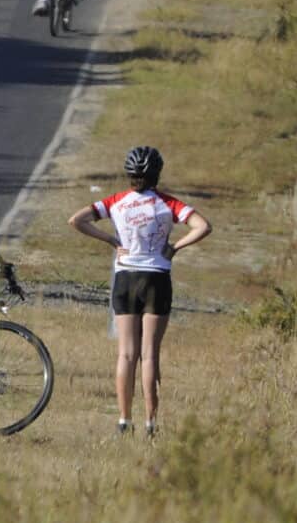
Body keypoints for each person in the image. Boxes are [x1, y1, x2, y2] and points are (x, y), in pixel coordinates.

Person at [68, 145, 210, 436]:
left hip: (126, 278)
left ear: (129, 174)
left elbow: (76, 220)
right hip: (157, 277)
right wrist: (175, 247)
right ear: (157, 174)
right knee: (149, 355)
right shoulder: (168, 204)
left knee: (126, 354)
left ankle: (124, 420)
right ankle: (151, 422)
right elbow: (203, 226)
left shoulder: (116, 202)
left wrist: (111, 240)